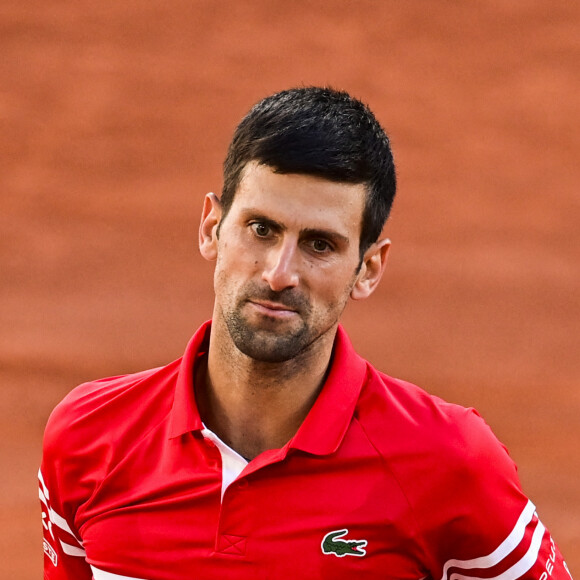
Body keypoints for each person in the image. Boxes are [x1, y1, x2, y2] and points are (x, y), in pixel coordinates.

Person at [39, 87, 573, 580]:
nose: (278, 273)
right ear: (211, 228)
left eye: (320, 244)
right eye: (261, 229)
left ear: (368, 269)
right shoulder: (87, 438)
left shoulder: (450, 462)